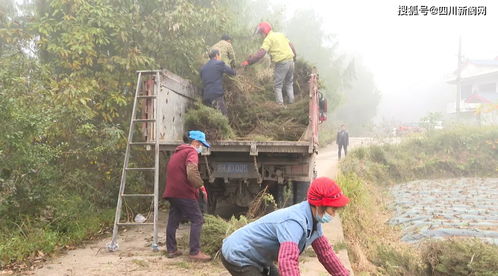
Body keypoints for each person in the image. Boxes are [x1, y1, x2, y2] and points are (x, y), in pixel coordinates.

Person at [221, 177, 351, 276]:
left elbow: (326, 254)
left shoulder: (314, 223)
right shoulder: (294, 222)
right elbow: (287, 261)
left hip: (258, 257)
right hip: (238, 254)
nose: (333, 215)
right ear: (319, 205)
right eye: (332, 210)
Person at [162, 130, 211, 262]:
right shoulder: (191, 152)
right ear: (195, 142)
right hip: (183, 192)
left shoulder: (178, 152)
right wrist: (201, 186)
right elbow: (191, 171)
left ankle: (171, 249)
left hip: (172, 192)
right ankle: (195, 252)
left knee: (173, 219)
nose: (201, 148)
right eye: (201, 144)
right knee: (197, 219)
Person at [241, 22, 297, 105]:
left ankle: (280, 105)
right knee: (289, 83)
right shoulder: (280, 34)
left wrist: (248, 62)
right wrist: (294, 57)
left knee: (277, 85)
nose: (261, 35)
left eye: (261, 33)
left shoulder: (268, 39)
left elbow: (261, 53)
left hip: (282, 63)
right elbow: (291, 45)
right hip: (291, 61)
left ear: (264, 31)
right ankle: (292, 103)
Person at [200, 49, 236, 116]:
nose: (220, 57)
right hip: (216, 96)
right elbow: (232, 72)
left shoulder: (203, 68)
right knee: (223, 117)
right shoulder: (219, 63)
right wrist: (235, 68)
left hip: (206, 97)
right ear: (217, 55)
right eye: (220, 55)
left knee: (210, 118)